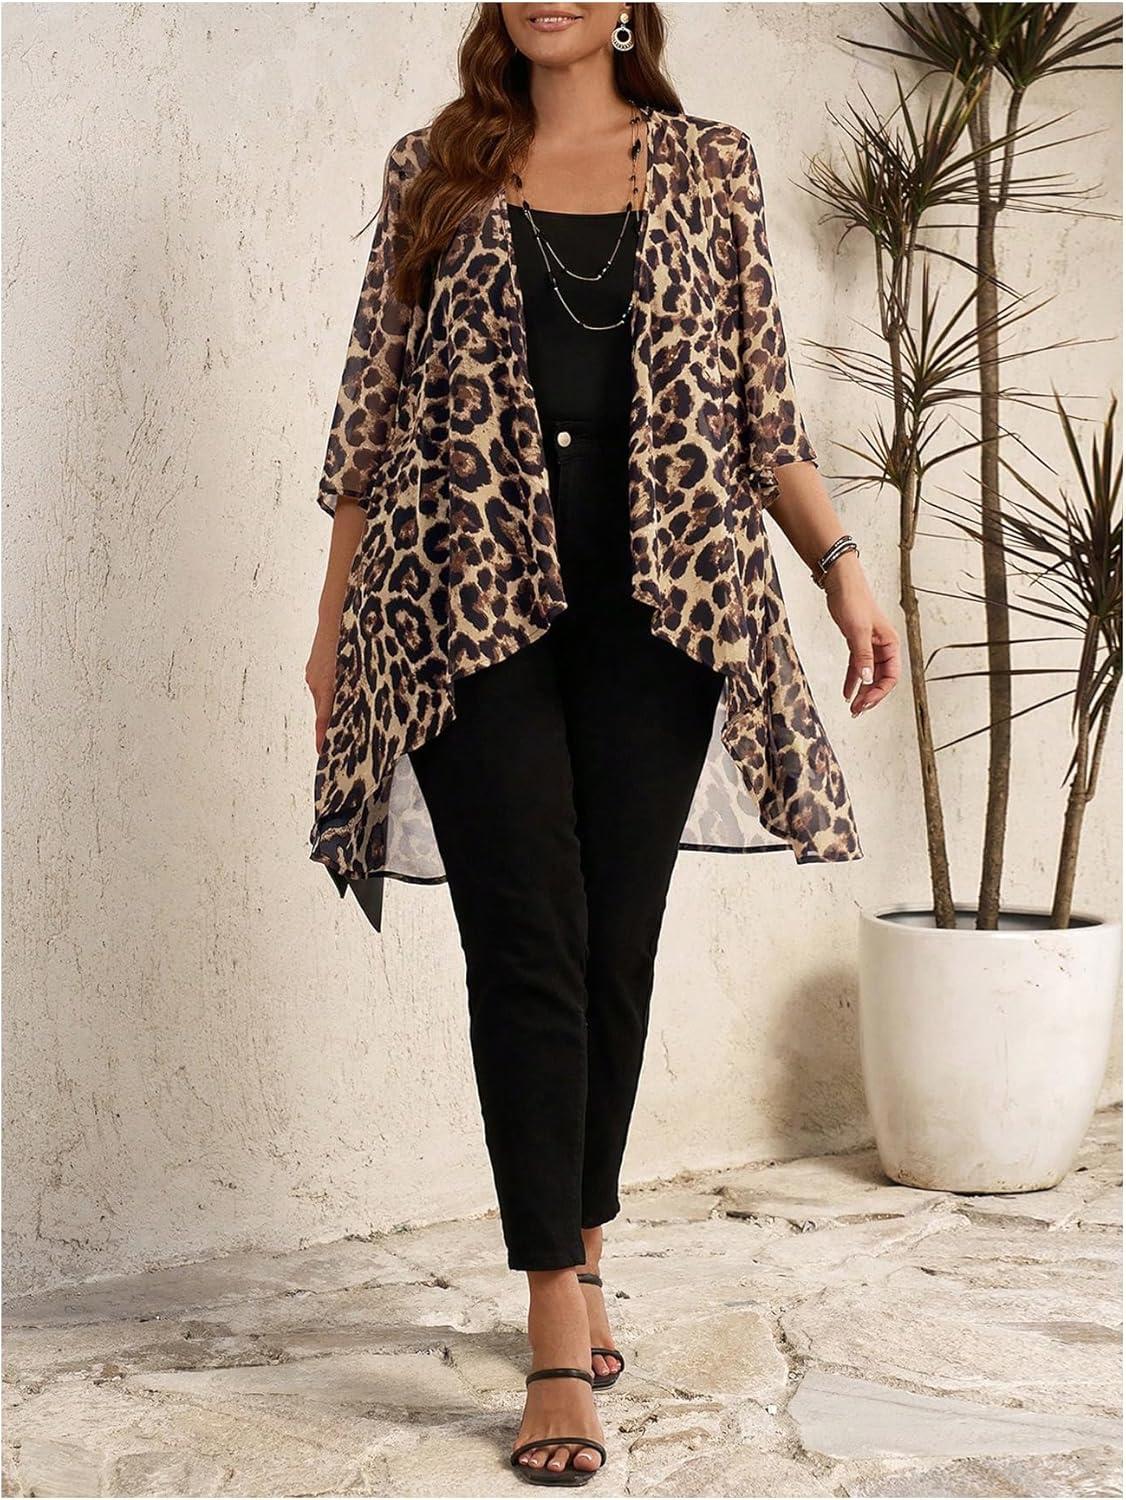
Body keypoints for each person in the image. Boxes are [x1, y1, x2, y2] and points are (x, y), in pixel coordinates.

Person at [305, 2, 900, 1484]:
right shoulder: (434, 168)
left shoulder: (709, 164)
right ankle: (554, 1326)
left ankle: (582, 1237)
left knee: (611, 946)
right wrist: (330, 632)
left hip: (664, 609)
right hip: (459, 603)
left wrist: (841, 570)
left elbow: (761, 410)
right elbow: (370, 419)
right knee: (525, 942)